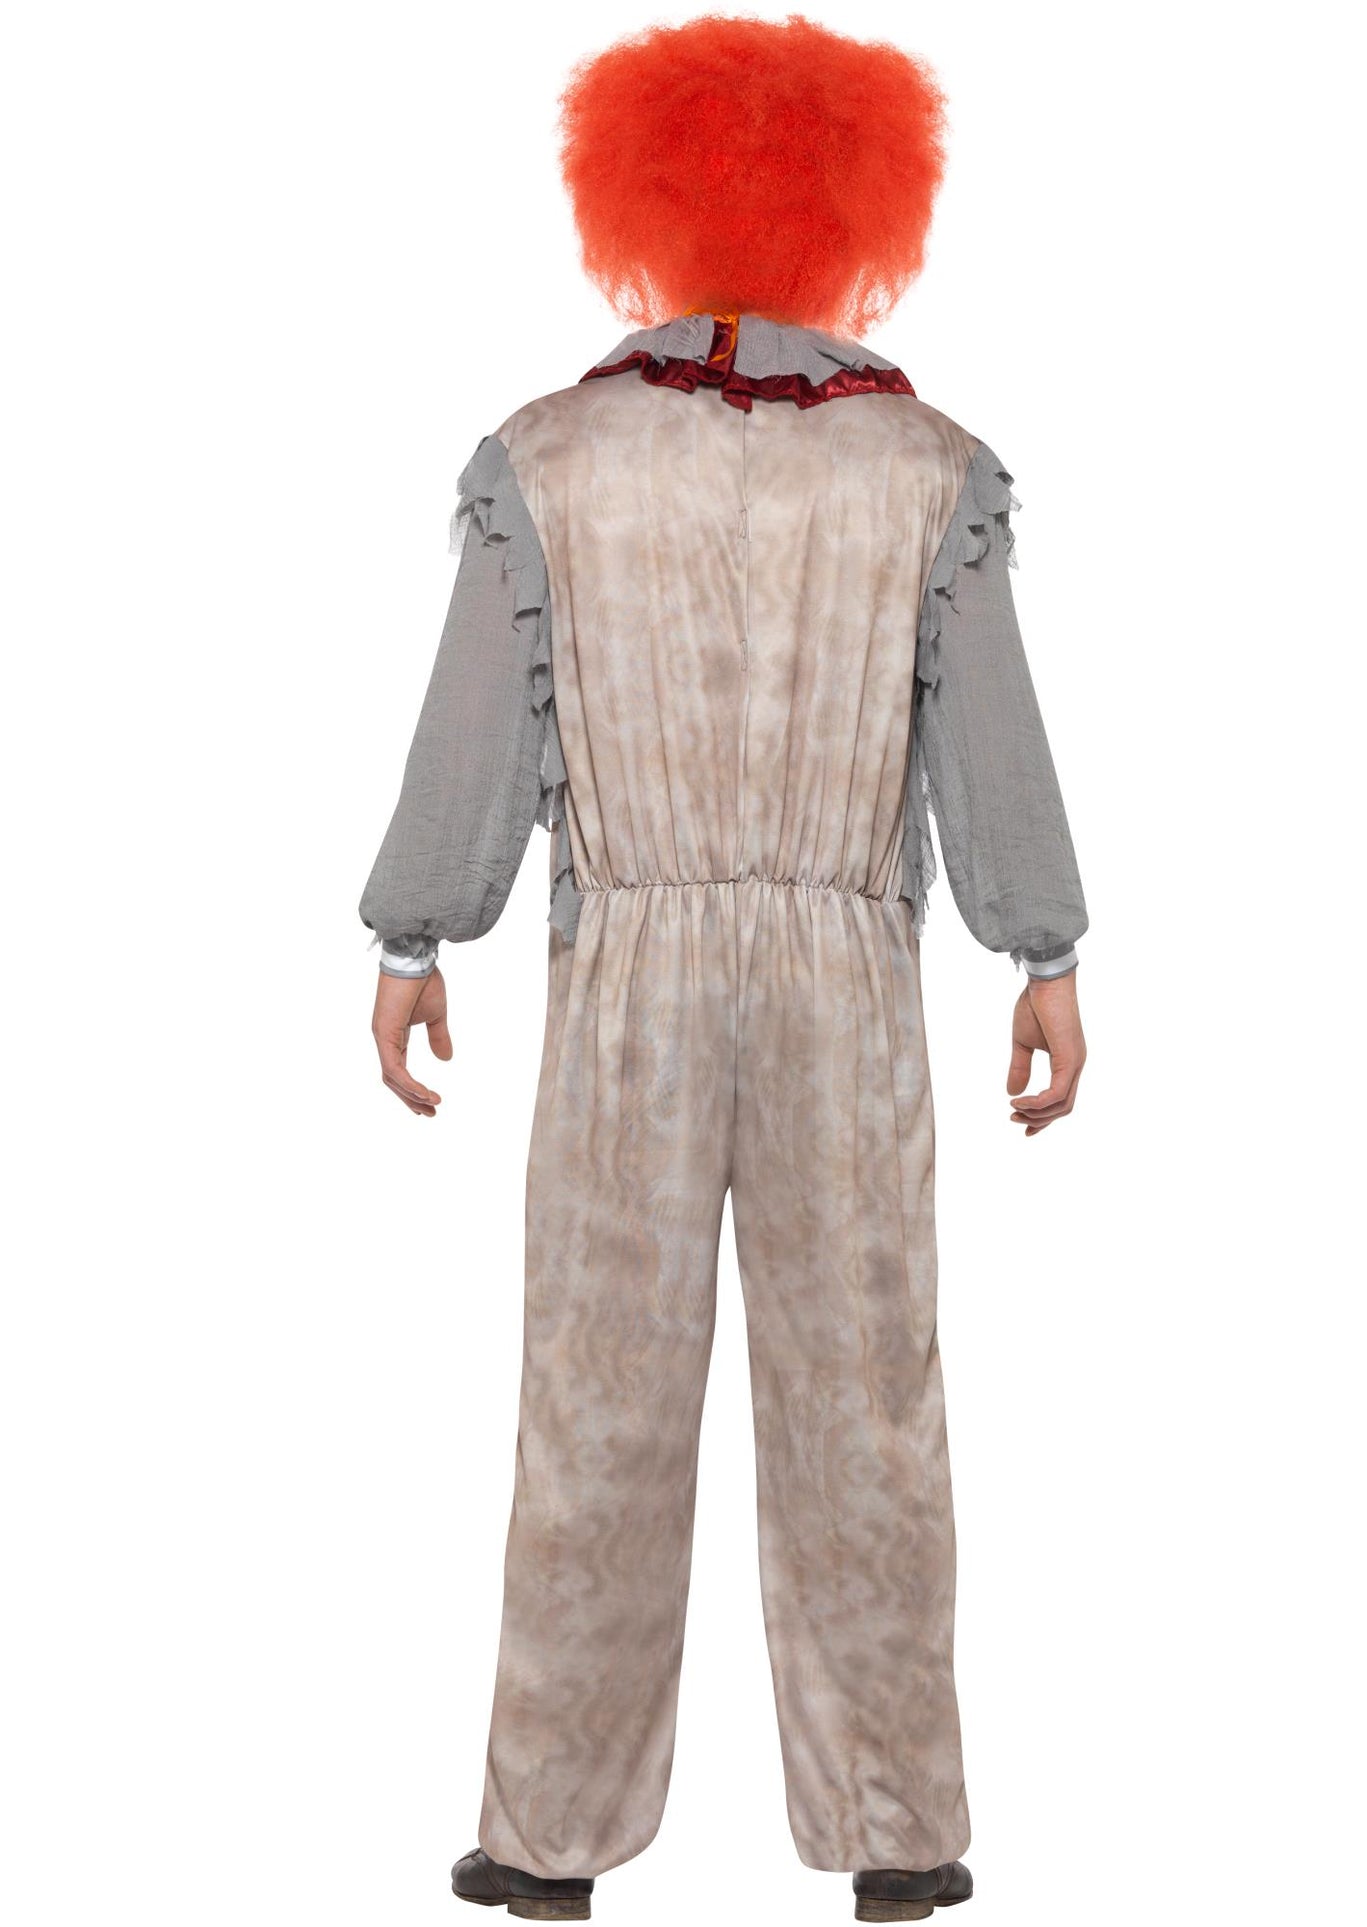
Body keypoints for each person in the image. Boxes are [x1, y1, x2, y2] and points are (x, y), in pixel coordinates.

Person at [359, 15, 1088, 1922]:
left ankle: (546, 1838)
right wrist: (1042, 950)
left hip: (632, 982)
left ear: (637, 202)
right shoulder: (927, 467)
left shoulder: (549, 456)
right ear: (865, 211)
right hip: (846, 986)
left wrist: (418, 927)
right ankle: (898, 1828)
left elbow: (478, 728)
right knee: (868, 1396)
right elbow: (986, 740)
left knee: (595, 1392)